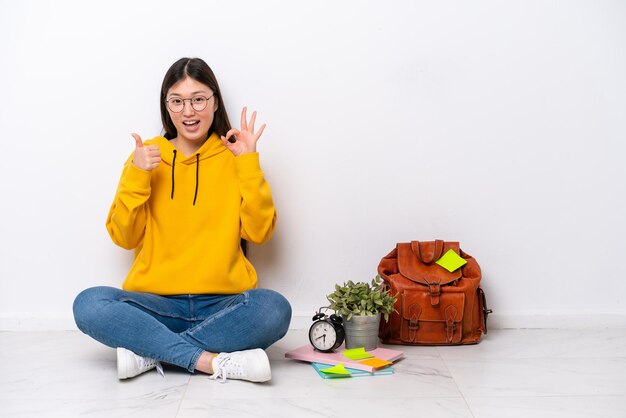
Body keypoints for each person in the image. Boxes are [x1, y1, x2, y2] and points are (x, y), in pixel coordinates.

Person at [73, 57, 291, 383]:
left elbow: (260, 233)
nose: (188, 111)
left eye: (198, 99)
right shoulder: (146, 156)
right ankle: (209, 361)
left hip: (223, 305)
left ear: (215, 102)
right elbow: (124, 237)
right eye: (177, 101)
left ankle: (151, 352)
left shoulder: (236, 156)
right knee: (88, 303)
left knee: (275, 309)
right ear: (167, 106)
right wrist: (137, 175)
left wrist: (248, 164)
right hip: (157, 308)